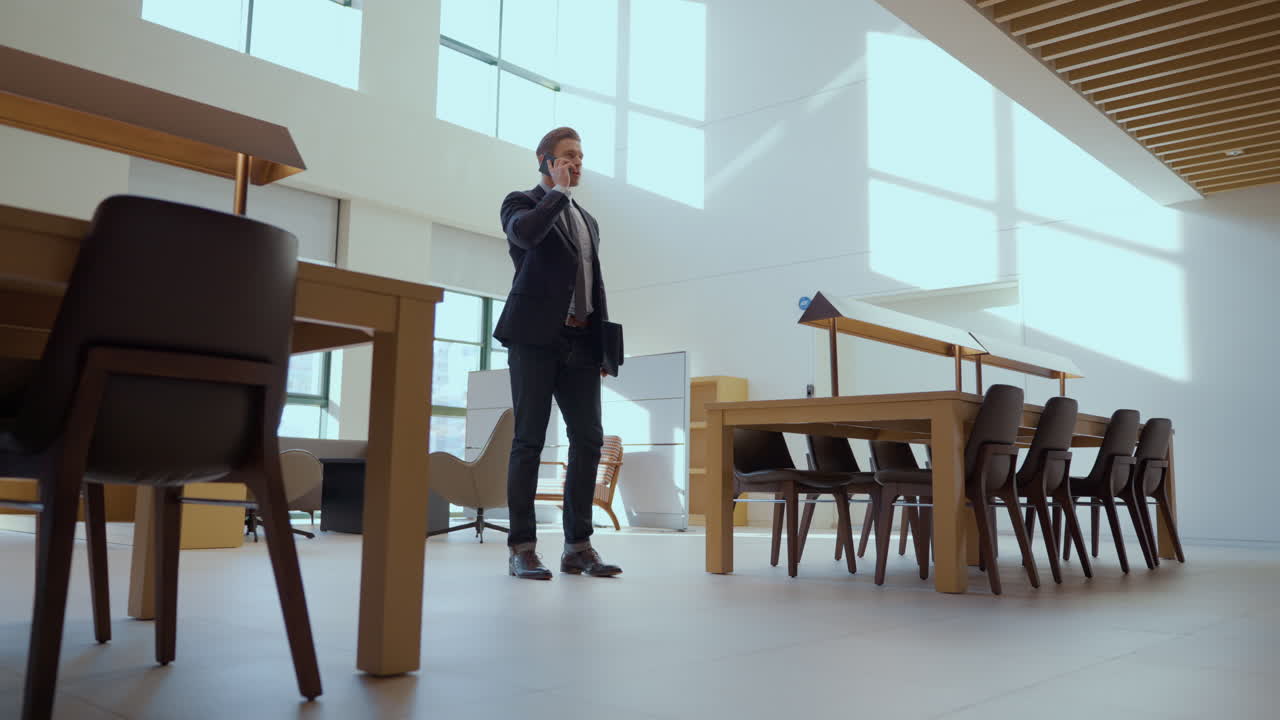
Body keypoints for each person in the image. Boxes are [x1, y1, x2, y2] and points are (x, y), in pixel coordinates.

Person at [493, 127, 623, 580]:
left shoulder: (589, 221)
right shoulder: (522, 203)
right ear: (546, 162)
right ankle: (522, 548)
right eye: (568, 156)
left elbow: (595, 286)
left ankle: (578, 546)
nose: (577, 163)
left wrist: (603, 349)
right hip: (534, 339)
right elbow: (525, 238)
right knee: (528, 440)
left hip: (582, 342)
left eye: (581, 157)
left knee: (588, 439)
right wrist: (558, 195)